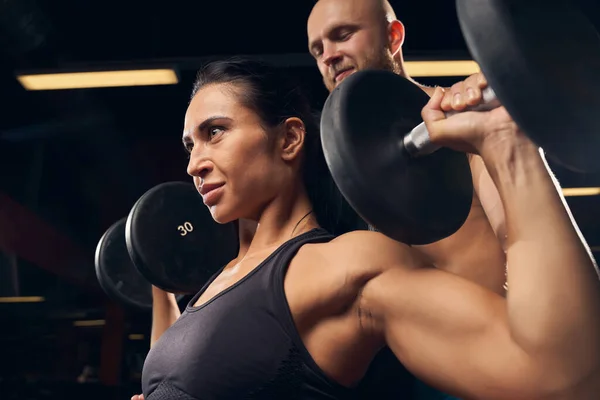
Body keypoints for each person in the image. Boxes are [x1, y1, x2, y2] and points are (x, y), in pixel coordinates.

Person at [134, 57, 600, 400]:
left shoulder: (346, 264)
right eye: (188, 144)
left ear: (290, 139)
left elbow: (559, 376)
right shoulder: (217, 283)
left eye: (215, 132)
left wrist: (507, 147)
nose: (195, 163)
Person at [307, 0, 508, 296]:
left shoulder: (461, 117)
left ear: (394, 37)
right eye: (318, 49)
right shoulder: (330, 163)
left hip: (490, 331)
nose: (329, 56)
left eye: (343, 35)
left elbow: (522, 239)